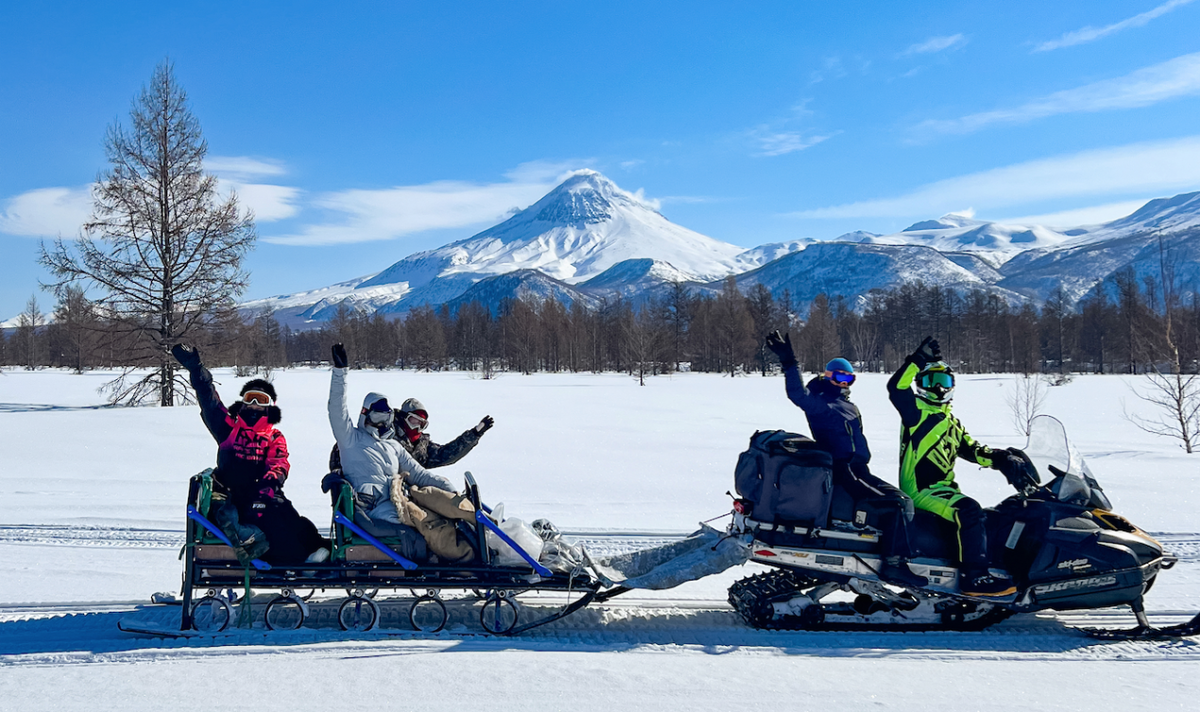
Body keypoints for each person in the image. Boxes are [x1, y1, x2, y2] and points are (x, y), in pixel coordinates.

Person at [765, 330, 926, 588]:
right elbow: (797, 396)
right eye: (840, 377)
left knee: (902, 501)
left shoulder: (846, 404)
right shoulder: (821, 403)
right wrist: (789, 363)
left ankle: (898, 552)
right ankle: (894, 565)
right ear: (828, 376)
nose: (844, 383)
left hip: (860, 468)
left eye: (849, 378)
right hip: (843, 469)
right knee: (896, 505)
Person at [887, 336, 1027, 597]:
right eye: (932, 382)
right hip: (922, 490)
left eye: (944, 382)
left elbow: (973, 451)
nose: (939, 388)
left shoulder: (950, 422)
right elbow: (896, 388)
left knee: (994, 513)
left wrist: (1003, 458)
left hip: (943, 489)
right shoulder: (916, 412)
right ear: (921, 386)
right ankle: (974, 577)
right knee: (969, 510)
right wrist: (918, 359)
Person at [171, 344, 329, 566]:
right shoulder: (229, 429)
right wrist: (197, 370)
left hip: (263, 493)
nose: (254, 406)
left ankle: (315, 552)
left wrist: (271, 482)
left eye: (261, 400)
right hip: (232, 496)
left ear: (269, 407)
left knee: (290, 518)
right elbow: (209, 402)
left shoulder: (274, 436)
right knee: (273, 522)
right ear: (243, 403)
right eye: (250, 399)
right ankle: (292, 562)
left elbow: (280, 462)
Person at [327, 343, 477, 563]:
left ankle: (479, 525)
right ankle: (462, 558)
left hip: (395, 500)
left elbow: (420, 474)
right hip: (373, 509)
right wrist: (341, 372)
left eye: (385, 416)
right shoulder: (351, 439)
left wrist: (450, 490)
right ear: (365, 414)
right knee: (426, 520)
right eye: (376, 416)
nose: (380, 422)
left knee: (436, 505)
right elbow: (336, 410)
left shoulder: (393, 447)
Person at [328, 396, 493, 472]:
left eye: (422, 425)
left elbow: (445, 455)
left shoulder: (422, 446)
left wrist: (474, 434)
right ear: (403, 417)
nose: (418, 428)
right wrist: (338, 473)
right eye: (414, 421)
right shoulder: (384, 434)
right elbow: (347, 447)